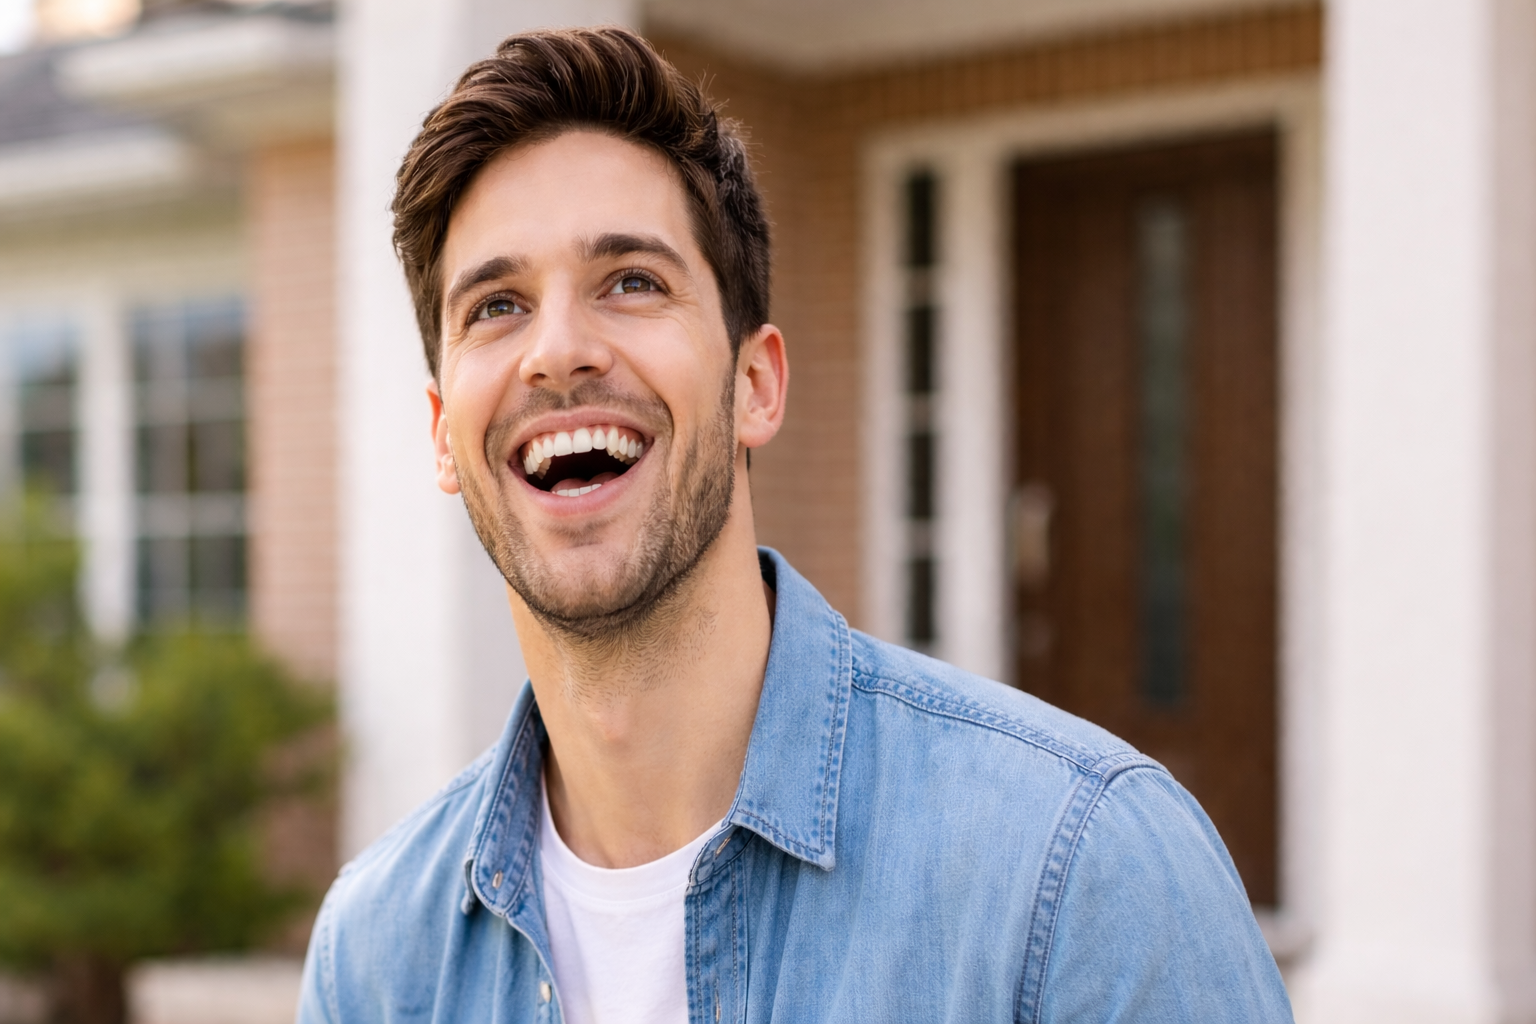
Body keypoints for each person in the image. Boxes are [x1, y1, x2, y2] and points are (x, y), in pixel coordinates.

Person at [297, 26, 1293, 1024]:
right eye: (497, 305)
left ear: (756, 385)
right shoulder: (378, 957)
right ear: (441, 435)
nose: (557, 351)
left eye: (631, 281)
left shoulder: (1079, 871)